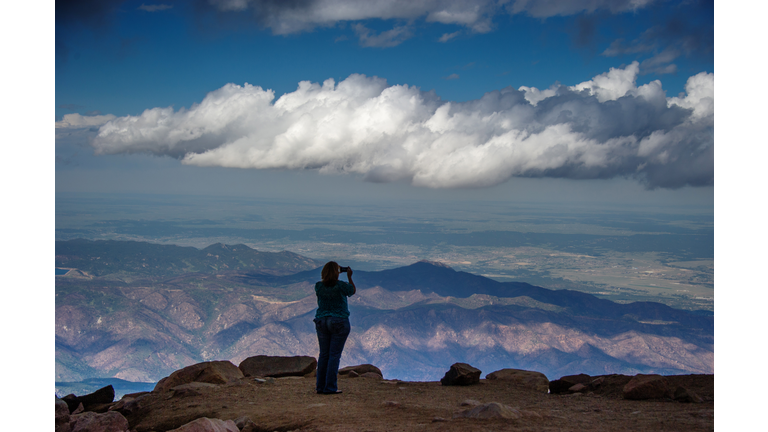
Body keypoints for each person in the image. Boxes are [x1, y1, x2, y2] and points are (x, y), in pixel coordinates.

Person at [313, 261, 356, 394]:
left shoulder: (318, 286)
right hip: (339, 321)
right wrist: (349, 276)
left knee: (324, 355)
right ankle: (330, 387)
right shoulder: (341, 286)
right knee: (334, 355)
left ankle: (320, 387)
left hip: (322, 321)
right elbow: (352, 291)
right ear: (337, 272)